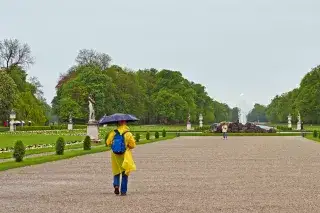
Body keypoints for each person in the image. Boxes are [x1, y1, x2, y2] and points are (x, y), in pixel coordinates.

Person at [106, 120, 136, 196]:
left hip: (115, 155)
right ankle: (123, 191)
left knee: (116, 171)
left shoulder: (113, 133)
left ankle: (116, 185)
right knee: (125, 173)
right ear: (125, 123)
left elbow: (108, 142)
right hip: (125, 155)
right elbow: (133, 145)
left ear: (117, 124)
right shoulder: (128, 133)